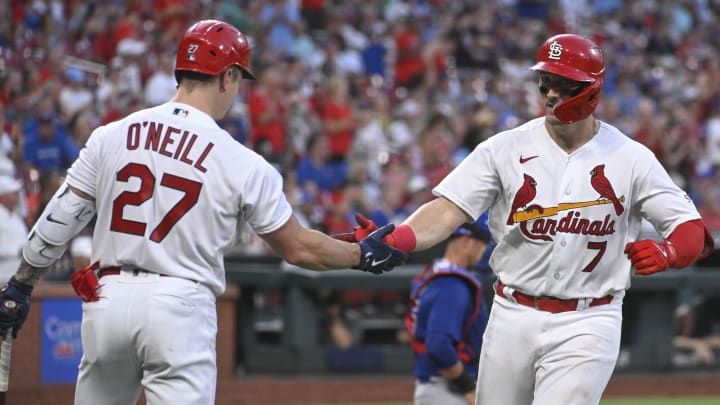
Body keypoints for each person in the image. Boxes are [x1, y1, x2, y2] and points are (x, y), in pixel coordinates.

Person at [0, 20, 407, 405]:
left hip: (107, 297)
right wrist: (360, 254)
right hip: (180, 304)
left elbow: (61, 215)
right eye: (237, 80)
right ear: (228, 76)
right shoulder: (241, 160)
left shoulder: (112, 133)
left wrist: (21, 283)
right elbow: (299, 248)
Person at [342, 34, 716, 405]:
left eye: (564, 84)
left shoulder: (631, 158)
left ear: (591, 89)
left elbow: (692, 231)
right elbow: (447, 209)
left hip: (589, 318)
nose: (551, 93)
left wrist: (669, 252)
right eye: (546, 82)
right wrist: (398, 239)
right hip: (512, 312)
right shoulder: (504, 148)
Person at [407, 214, 492, 405]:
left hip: (436, 384)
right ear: (465, 242)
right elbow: (438, 344)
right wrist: (468, 388)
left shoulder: (435, 273)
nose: (483, 253)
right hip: (448, 389)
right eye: (481, 246)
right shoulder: (452, 283)